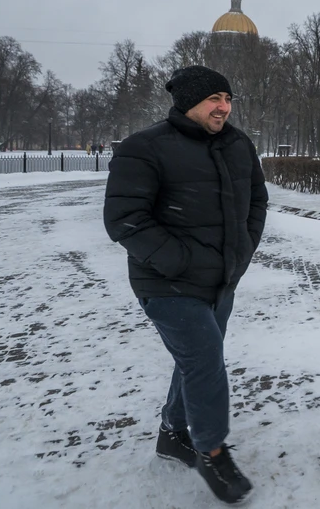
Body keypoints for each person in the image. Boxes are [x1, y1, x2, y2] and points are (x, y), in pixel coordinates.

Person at [103, 65, 268, 505]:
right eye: (214, 98)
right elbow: (124, 219)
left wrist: (243, 251)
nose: (224, 107)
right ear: (189, 101)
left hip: (221, 282)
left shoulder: (238, 144)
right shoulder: (145, 147)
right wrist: (180, 262)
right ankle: (212, 451)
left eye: (228, 99)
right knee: (205, 360)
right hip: (167, 284)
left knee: (195, 360)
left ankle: (172, 433)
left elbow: (257, 200)